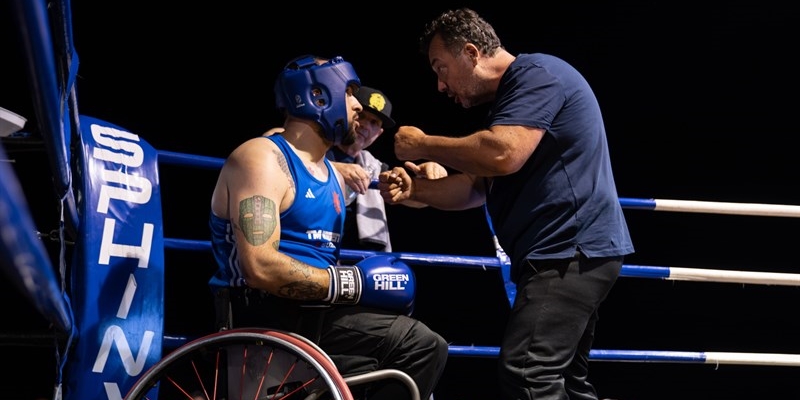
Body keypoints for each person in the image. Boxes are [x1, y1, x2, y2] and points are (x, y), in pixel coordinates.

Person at [378, 8, 634, 400]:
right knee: (567, 381)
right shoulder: (510, 104)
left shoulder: (536, 74)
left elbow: (503, 154)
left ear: (470, 52)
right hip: (563, 253)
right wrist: (413, 191)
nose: (441, 86)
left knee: (527, 373)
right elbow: (477, 188)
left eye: (441, 68)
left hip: (568, 250)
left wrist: (424, 143)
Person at [209, 54, 448, 400]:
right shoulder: (261, 159)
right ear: (319, 97)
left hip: (315, 317)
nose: (357, 106)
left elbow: (394, 187)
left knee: (423, 346)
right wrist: (351, 283)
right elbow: (259, 266)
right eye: (351, 94)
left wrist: (420, 180)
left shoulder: (333, 173)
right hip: (259, 318)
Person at [268, 85, 448, 252]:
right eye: (361, 115)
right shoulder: (313, 145)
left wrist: (429, 182)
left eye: (374, 122)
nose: (364, 125)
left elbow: (412, 197)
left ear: (379, 134)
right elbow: (272, 142)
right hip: (308, 251)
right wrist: (333, 169)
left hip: (357, 262)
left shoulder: (373, 166)